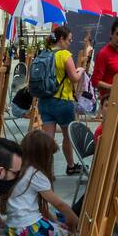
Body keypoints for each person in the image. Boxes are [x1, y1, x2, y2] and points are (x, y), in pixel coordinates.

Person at [5, 131, 104, 236]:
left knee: (58, 233)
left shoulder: (21, 170)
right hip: (32, 228)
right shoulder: (36, 174)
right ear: (44, 155)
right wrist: (76, 220)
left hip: (16, 229)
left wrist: (55, 221)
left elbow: (38, 208)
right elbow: (59, 203)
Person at [36, 24, 85, 173]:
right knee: (67, 136)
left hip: (44, 101)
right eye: (69, 40)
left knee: (48, 140)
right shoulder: (64, 55)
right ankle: (70, 166)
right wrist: (81, 70)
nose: (70, 43)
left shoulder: (43, 53)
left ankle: (44, 170)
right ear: (61, 39)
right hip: (62, 101)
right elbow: (74, 78)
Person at [91, 18, 118, 107]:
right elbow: (95, 81)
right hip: (109, 102)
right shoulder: (103, 54)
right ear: (111, 34)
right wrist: (113, 88)